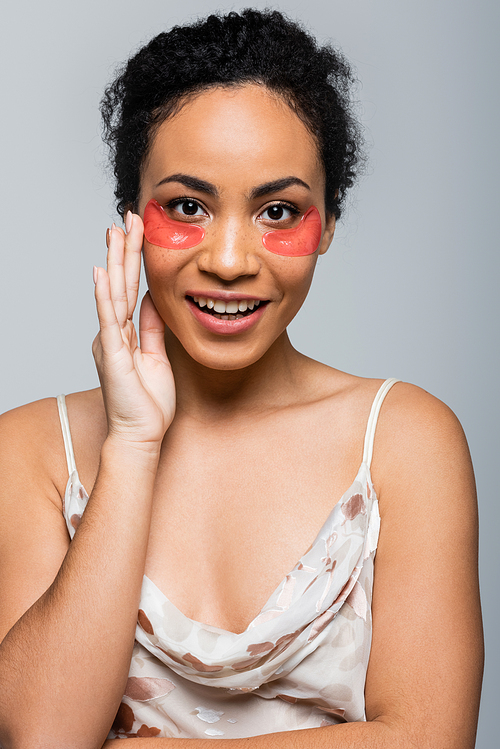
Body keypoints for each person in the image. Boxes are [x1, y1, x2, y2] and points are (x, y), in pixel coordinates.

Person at [0, 8, 483, 748]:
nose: (230, 259)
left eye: (278, 210)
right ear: (131, 214)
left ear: (326, 224)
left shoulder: (405, 440)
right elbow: (40, 734)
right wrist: (131, 443)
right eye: (187, 206)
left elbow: (428, 737)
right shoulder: (31, 450)